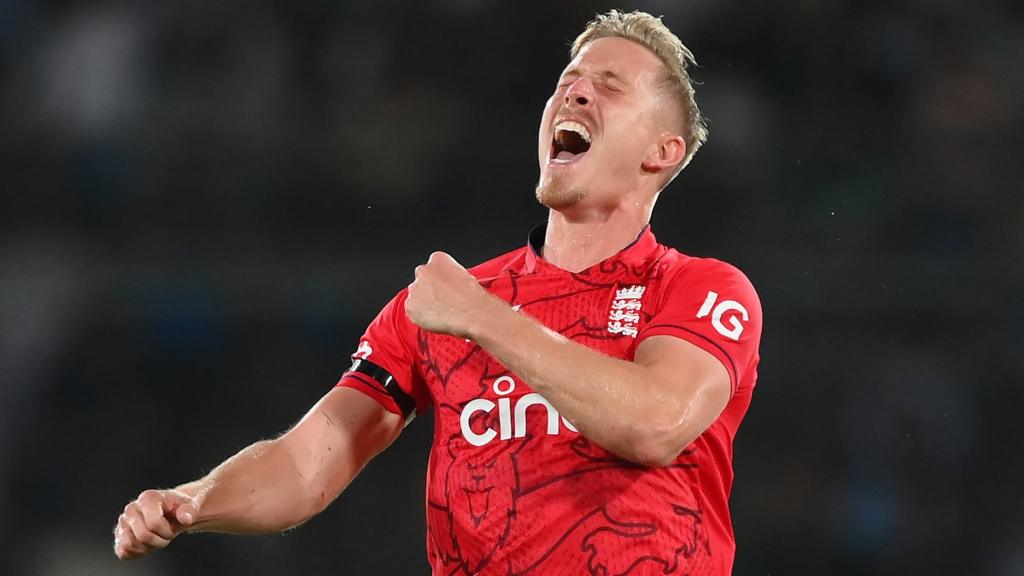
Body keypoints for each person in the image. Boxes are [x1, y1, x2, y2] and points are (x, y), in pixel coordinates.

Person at [113, 9, 762, 576]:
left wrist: (485, 318)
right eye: (569, 82)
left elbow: (655, 423)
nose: (577, 94)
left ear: (662, 151)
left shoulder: (698, 289)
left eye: (609, 87)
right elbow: (312, 460)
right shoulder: (444, 304)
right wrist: (195, 501)